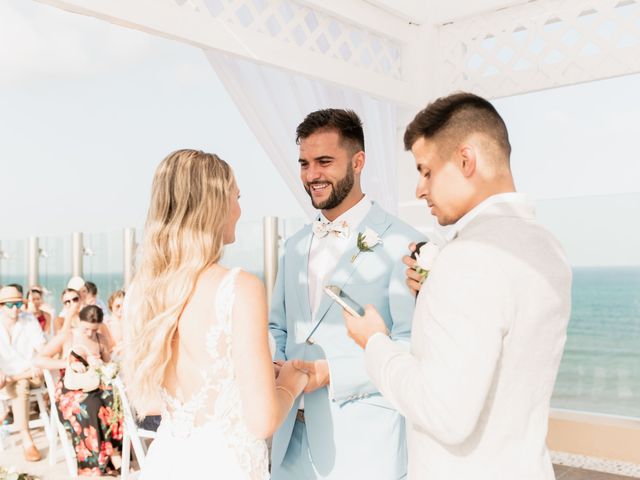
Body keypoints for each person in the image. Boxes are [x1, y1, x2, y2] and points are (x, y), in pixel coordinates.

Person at [344, 92, 572, 480]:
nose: (419, 188)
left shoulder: (468, 258)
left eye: (426, 171)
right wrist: (432, 294)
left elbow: (444, 414)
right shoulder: (549, 247)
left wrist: (375, 343)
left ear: (466, 161)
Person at [122, 149, 309, 479]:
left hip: (167, 462)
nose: (240, 209)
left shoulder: (142, 292)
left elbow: (148, 402)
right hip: (224, 466)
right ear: (214, 205)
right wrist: (290, 383)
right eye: (237, 196)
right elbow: (262, 420)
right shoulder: (239, 287)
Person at [269, 109, 423, 479]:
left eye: (324, 162)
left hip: (363, 448)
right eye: (305, 163)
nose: (312, 175)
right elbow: (278, 326)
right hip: (289, 441)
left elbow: (412, 346)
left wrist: (331, 373)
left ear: (358, 162)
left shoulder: (404, 243)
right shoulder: (293, 246)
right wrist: (275, 363)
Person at [35, 304, 122, 476]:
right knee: (90, 405)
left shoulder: (100, 338)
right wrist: (68, 364)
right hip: (70, 389)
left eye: (94, 329)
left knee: (114, 399)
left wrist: (101, 360)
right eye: (86, 329)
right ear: (79, 321)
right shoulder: (68, 336)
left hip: (95, 384)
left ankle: (114, 453)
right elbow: (39, 359)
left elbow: (108, 365)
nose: (90, 333)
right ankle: (94, 464)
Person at [0, 285, 46, 461]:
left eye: (18, 304)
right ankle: (26, 438)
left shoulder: (29, 320)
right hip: (6, 378)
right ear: (1, 306)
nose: (15, 309)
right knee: (19, 384)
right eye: (10, 305)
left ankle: (26, 437)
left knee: (22, 384)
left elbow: (42, 349)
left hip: (30, 375)